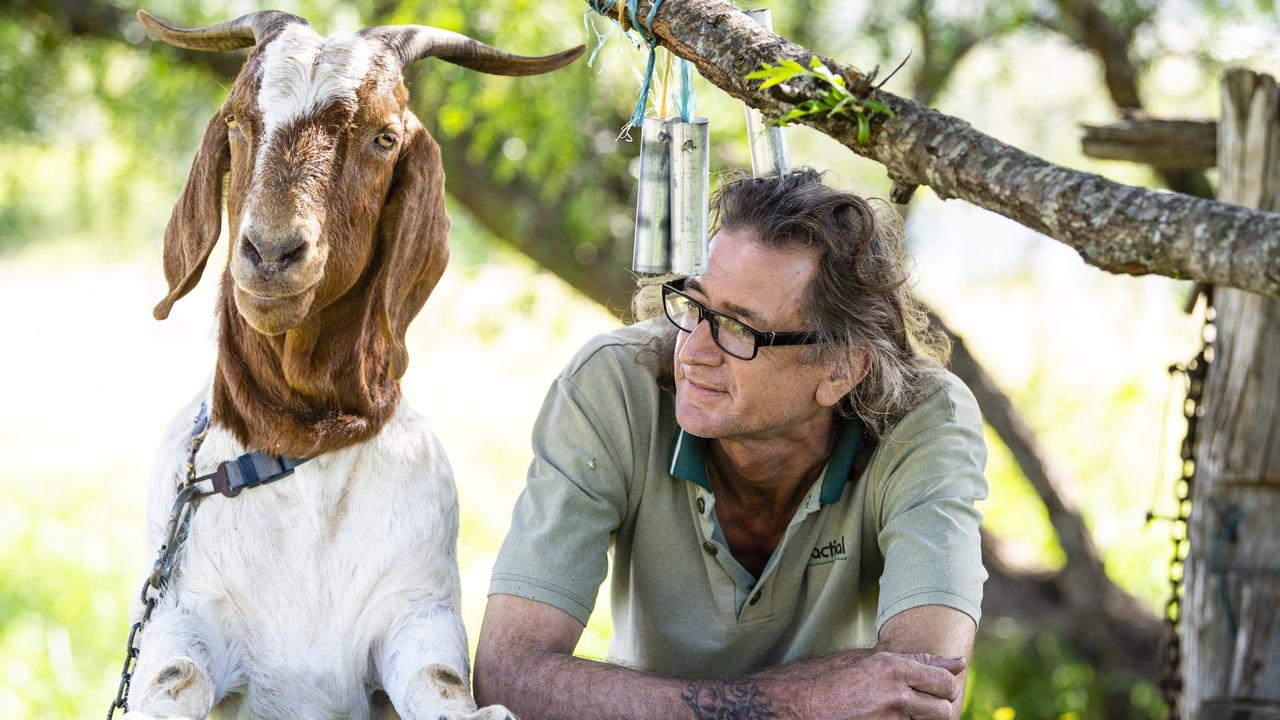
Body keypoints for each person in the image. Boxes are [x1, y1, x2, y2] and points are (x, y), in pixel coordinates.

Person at [474, 169, 988, 720]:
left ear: (841, 367)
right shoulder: (613, 385)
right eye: (695, 305)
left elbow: (923, 695)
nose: (692, 351)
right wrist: (801, 702)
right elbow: (507, 672)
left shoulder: (927, 417)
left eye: (740, 328)